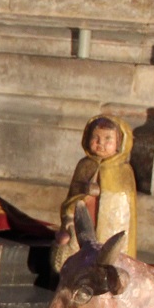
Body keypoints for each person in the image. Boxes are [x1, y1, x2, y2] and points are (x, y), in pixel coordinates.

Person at [53, 114, 137, 272]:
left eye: (108, 139)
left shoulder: (124, 171)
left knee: (108, 257)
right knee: (69, 245)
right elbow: (72, 198)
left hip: (110, 227)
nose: (100, 143)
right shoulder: (84, 165)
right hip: (84, 222)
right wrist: (83, 194)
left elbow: (123, 206)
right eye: (96, 138)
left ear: (119, 143)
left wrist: (103, 193)